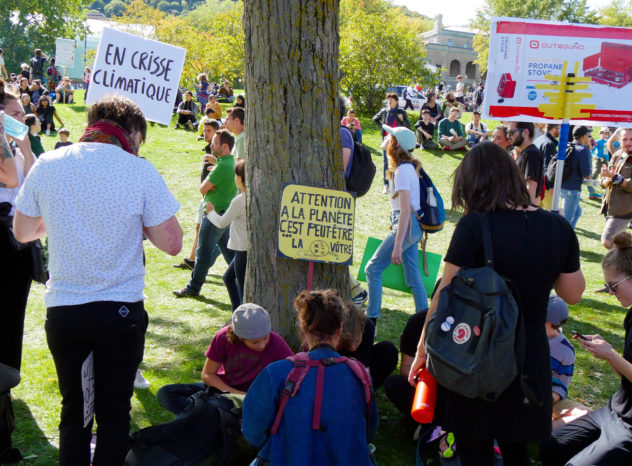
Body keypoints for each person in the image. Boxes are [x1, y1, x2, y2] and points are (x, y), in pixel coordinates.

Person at [13, 94, 183, 465]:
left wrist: (60, 219)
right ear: (133, 132)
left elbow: (23, 231)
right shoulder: (139, 170)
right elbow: (172, 244)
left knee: (75, 409)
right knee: (114, 411)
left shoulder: (48, 162)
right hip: (119, 309)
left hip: (65, 308)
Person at [407, 142, 585, 465]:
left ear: (472, 184)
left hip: (476, 353)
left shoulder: (474, 226)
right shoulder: (557, 227)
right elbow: (573, 293)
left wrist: (422, 351)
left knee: (474, 452)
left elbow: (442, 296)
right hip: (529, 355)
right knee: (517, 452)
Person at [242, 289, 379, 466]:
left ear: (303, 329)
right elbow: (369, 432)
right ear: (339, 329)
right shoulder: (359, 374)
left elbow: (253, 433)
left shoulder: (276, 372)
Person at [540, 230, 632, 465]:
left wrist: (611, 354)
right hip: (615, 411)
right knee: (551, 448)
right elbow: (626, 375)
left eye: (614, 285)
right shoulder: (631, 316)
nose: (610, 292)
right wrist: (609, 355)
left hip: (630, 425)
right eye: (607, 286)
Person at [157, 303, 293, 415]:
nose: (262, 344)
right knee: (166, 393)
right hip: (222, 389)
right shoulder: (223, 337)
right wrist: (235, 394)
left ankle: (206, 415)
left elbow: (294, 371)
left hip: (254, 396)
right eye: (255, 342)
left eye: (265, 337)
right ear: (240, 337)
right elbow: (207, 374)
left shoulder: (276, 342)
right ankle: (209, 415)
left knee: (212, 407)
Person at [0, 88, 37, 464]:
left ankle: (4, 394)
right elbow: (13, 182)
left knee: (11, 325)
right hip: (4, 241)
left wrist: (25, 145)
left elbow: (34, 186)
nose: (21, 117)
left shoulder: (17, 146)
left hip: (18, 245)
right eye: (13, 112)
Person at [365, 126, 428, 324]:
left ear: (397, 143)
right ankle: (424, 320)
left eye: (390, 136)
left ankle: (371, 320)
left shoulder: (402, 171)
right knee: (412, 275)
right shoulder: (407, 167)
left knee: (372, 269)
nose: (386, 137)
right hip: (413, 226)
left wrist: (398, 244)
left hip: (407, 225)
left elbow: (405, 210)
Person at [173, 129, 237, 298]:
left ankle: (193, 288)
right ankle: (242, 284)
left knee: (202, 255)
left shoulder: (222, 166)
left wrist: (212, 180)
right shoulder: (231, 162)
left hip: (213, 216)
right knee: (230, 255)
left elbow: (203, 188)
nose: (211, 144)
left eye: (215, 143)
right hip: (225, 216)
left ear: (224, 146)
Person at [205, 158, 247, 310]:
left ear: (241, 178)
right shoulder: (250, 197)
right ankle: (236, 313)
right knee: (228, 278)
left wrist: (210, 213)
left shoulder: (240, 201)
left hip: (243, 250)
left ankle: (241, 318)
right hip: (243, 250)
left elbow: (222, 222)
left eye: (236, 175)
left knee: (243, 290)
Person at [337, 303, 398, 389]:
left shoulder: (368, 326)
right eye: (348, 342)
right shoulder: (331, 330)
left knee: (388, 350)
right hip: (337, 366)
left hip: (358, 363)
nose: (353, 347)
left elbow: (364, 366)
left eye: (357, 340)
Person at [383, 311, 428, 416]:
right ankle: (423, 420)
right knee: (394, 383)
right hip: (423, 389)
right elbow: (405, 367)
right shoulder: (419, 321)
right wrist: (423, 381)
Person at [599, 128, 632, 250]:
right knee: (619, 244)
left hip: (624, 209)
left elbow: (618, 179)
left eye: (631, 139)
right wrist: (606, 180)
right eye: (624, 139)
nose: (628, 142)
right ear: (619, 140)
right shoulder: (617, 155)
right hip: (611, 206)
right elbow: (603, 178)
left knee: (607, 241)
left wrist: (619, 179)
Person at [373, 92, 411, 194]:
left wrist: (402, 120)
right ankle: (386, 185)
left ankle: (396, 183)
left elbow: (408, 126)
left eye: (391, 100)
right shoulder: (384, 111)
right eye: (388, 100)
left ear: (396, 101)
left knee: (398, 161)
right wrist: (383, 128)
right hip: (386, 140)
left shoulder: (401, 112)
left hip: (398, 140)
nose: (389, 102)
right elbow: (375, 119)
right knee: (386, 162)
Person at [559, 126, 593, 229]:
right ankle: (564, 241)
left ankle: (570, 235)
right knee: (566, 221)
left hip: (562, 187)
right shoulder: (583, 150)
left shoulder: (567, 146)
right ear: (584, 136)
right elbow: (586, 172)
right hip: (572, 189)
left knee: (578, 212)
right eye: (588, 135)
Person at [508, 121, 544, 205]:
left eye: (511, 132)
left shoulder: (531, 153)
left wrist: (527, 211)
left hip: (523, 209)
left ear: (525, 132)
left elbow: (531, 185)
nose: (508, 136)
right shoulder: (525, 152)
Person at [534, 123, 560, 209]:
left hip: (536, 182)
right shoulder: (549, 144)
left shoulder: (538, 140)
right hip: (545, 186)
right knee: (548, 211)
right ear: (554, 129)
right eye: (559, 129)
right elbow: (549, 167)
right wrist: (551, 185)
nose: (560, 131)